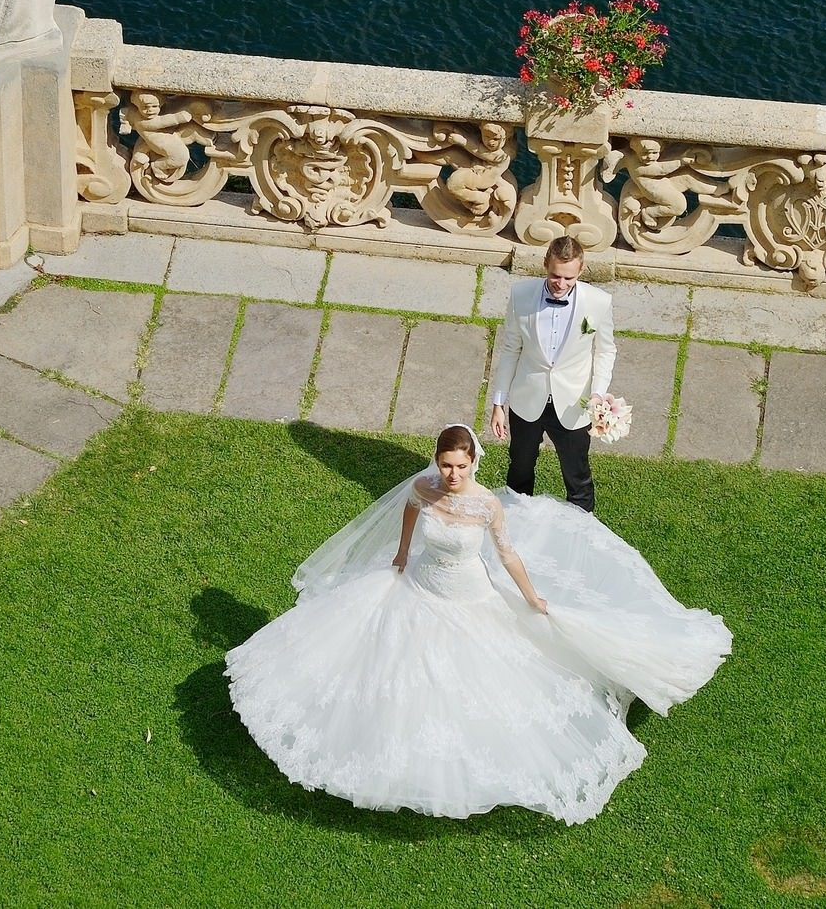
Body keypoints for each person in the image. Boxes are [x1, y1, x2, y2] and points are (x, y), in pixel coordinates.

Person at [225, 424, 731, 825]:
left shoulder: (486, 504)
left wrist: (531, 596)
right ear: (436, 461)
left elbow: (506, 553)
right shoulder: (423, 488)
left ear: (473, 464)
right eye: (445, 465)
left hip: (468, 594)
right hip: (420, 584)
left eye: (460, 466)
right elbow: (409, 513)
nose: (451, 474)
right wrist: (401, 553)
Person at [487, 236, 616, 511]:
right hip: (527, 399)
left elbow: (606, 351)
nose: (561, 284)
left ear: (581, 270)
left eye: (569, 278)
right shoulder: (520, 295)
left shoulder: (599, 302)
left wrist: (597, 394)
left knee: (577, 475)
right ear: (546, 264)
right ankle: (514, 521)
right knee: (519, 469)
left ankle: (581, 528)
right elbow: (511, 348)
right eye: (556, 276)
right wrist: (498, 403)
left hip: (574, 404)